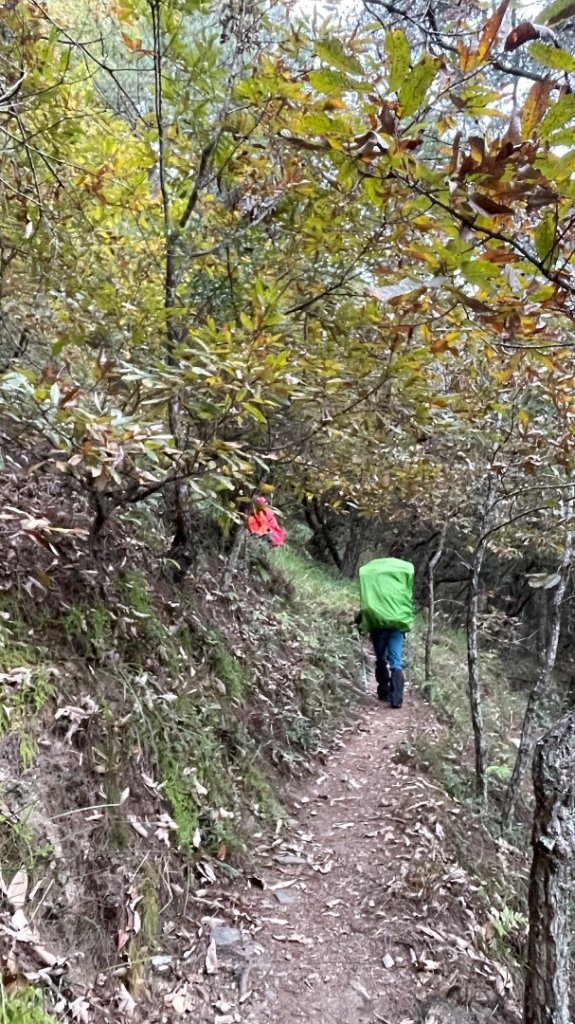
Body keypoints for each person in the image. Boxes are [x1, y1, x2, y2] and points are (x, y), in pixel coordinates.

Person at [355, 557, 414, 709]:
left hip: (377, 625)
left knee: (381, 659)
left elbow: (366, 606)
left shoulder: (374, 592)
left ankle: (383, 691)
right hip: (396, 627)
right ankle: (396, 699)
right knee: (396, 661)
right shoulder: (398, 594)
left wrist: (360, 619)